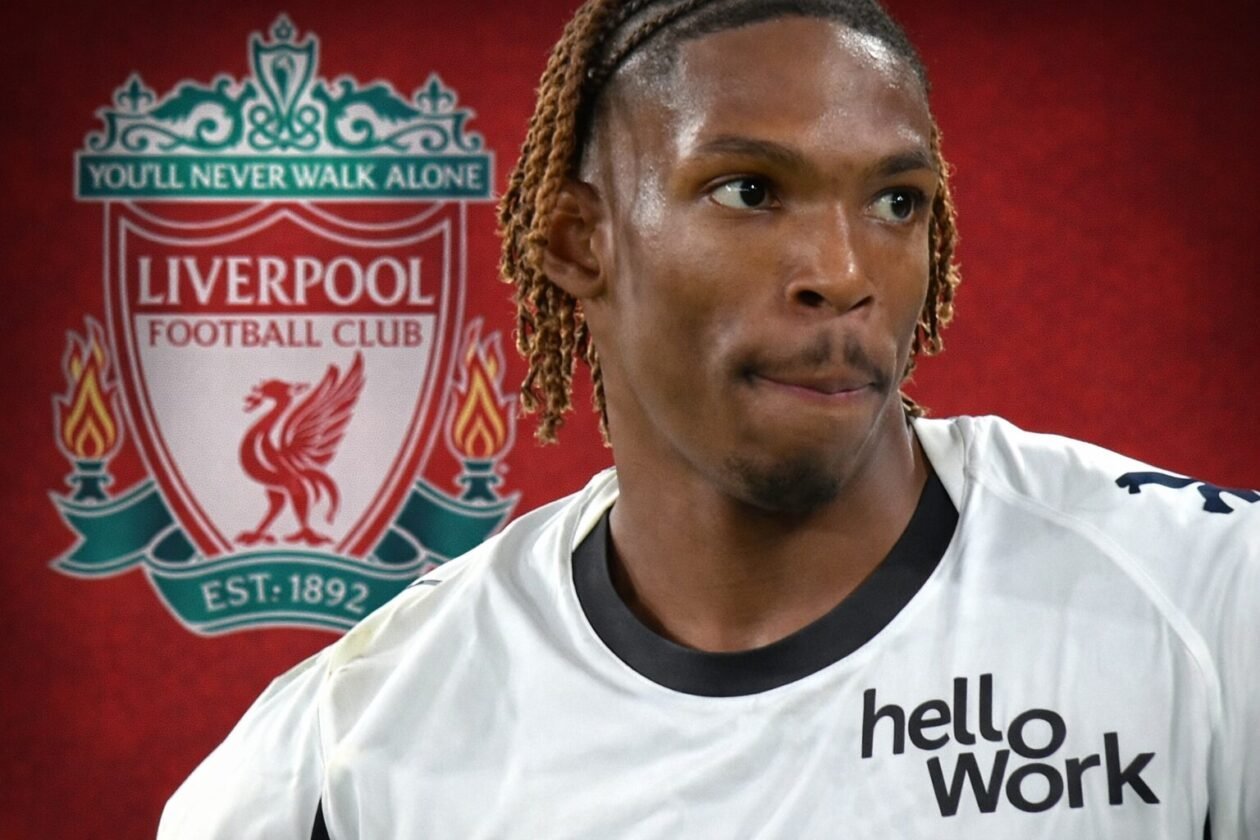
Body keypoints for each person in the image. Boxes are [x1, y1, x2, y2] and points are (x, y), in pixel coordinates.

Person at [158, 1, 1259, 837]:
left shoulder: (1214, 604)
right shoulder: (345, 753)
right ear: (578, 241)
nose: (843, 272)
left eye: (896, 202)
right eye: (750, 191)